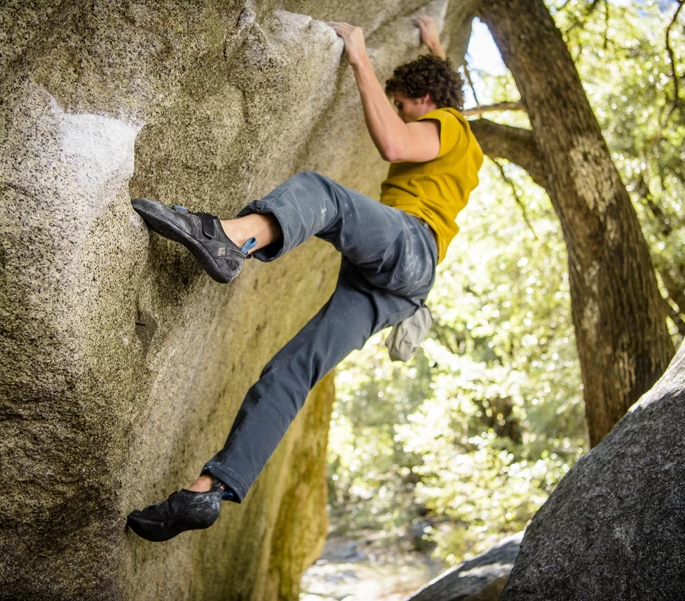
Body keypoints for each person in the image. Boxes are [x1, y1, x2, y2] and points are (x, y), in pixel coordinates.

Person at [126, 16, 483, 542]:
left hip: (411, 246)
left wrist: (359, 55)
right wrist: (433, 41)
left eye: (404, 103)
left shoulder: (448, 124)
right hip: (397, 289)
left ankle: (229, 239)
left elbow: (395, 144)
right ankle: (209, 492)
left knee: (325, 195)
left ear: (426, 100)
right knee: (291, 371)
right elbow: (445, 87)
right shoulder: (463, 135)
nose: (401, 110)